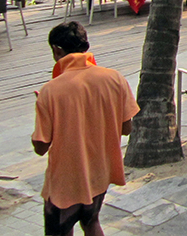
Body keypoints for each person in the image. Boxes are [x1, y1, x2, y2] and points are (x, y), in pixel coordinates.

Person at [32, 22, 139, 236]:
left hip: (66, 181)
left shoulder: (50, 91)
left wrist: (47, 111)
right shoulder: (114, 78)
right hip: (99, 173)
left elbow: (41, 147)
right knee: (91, 222)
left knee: (60, 230)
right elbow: (127, 128)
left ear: (57, 50)